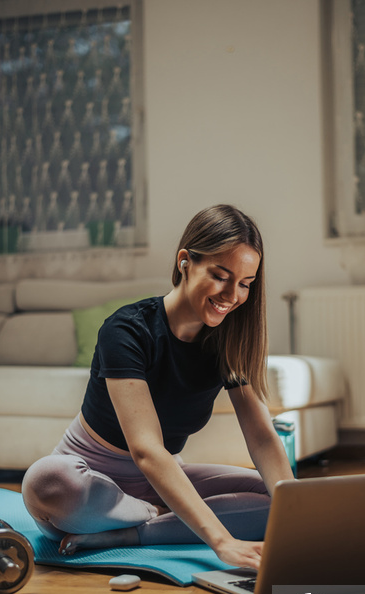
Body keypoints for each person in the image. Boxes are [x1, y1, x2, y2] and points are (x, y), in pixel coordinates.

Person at [22, 204, 294, 570]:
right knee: (46, 481)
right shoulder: (127, 330)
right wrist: (222, 542)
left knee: (283, 498)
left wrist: (297, 512)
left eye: (245, 284)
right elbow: (147, 451)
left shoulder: (227, 342)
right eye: (221, 275)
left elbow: (261, 437)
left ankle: (135, 532)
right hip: (90, 486)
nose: (233, 295)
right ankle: (157, 513)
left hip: (159, 480)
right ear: (185, 261)